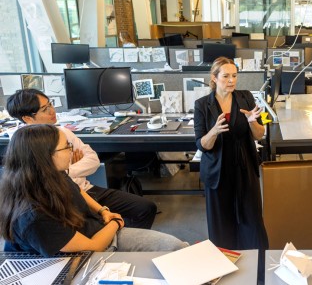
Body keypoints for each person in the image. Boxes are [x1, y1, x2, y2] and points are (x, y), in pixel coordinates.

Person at [0, 124, 188, 256]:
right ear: (46, 157)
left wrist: (103, 210)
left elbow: (77, 191)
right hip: (87, 252)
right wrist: (115, 222)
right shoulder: (34, 216)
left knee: (178, 246)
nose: (72, 152)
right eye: (67, 147)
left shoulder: (50, 174)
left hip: (96, 230)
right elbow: (92, 247)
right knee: (173, 248)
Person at [6, 89, 157, 229]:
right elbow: (42, 179)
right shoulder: (21, 143)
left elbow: (93, 160)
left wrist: (66, 170)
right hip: (59, 198)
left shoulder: (62, 132)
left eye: (50, 104)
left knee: (145, 208)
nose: (52, 110)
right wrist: (72, 170)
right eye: (45, 109)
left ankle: (125, 241)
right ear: (27, 118)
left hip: (85, 190)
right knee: (94, 225)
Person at [194, 57, 268, 250]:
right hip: (217, 170)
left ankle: (254, 262)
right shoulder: (201, 105)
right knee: (221, 221)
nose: (231, 80)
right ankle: (224, 261)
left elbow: (260, 134)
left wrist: (253, 121)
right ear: (214, 78)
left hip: (244, 167)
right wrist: (214, 131)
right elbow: (202, 144)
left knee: (251, 219)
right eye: (226, 76)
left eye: (234, 76)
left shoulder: (246, 97)